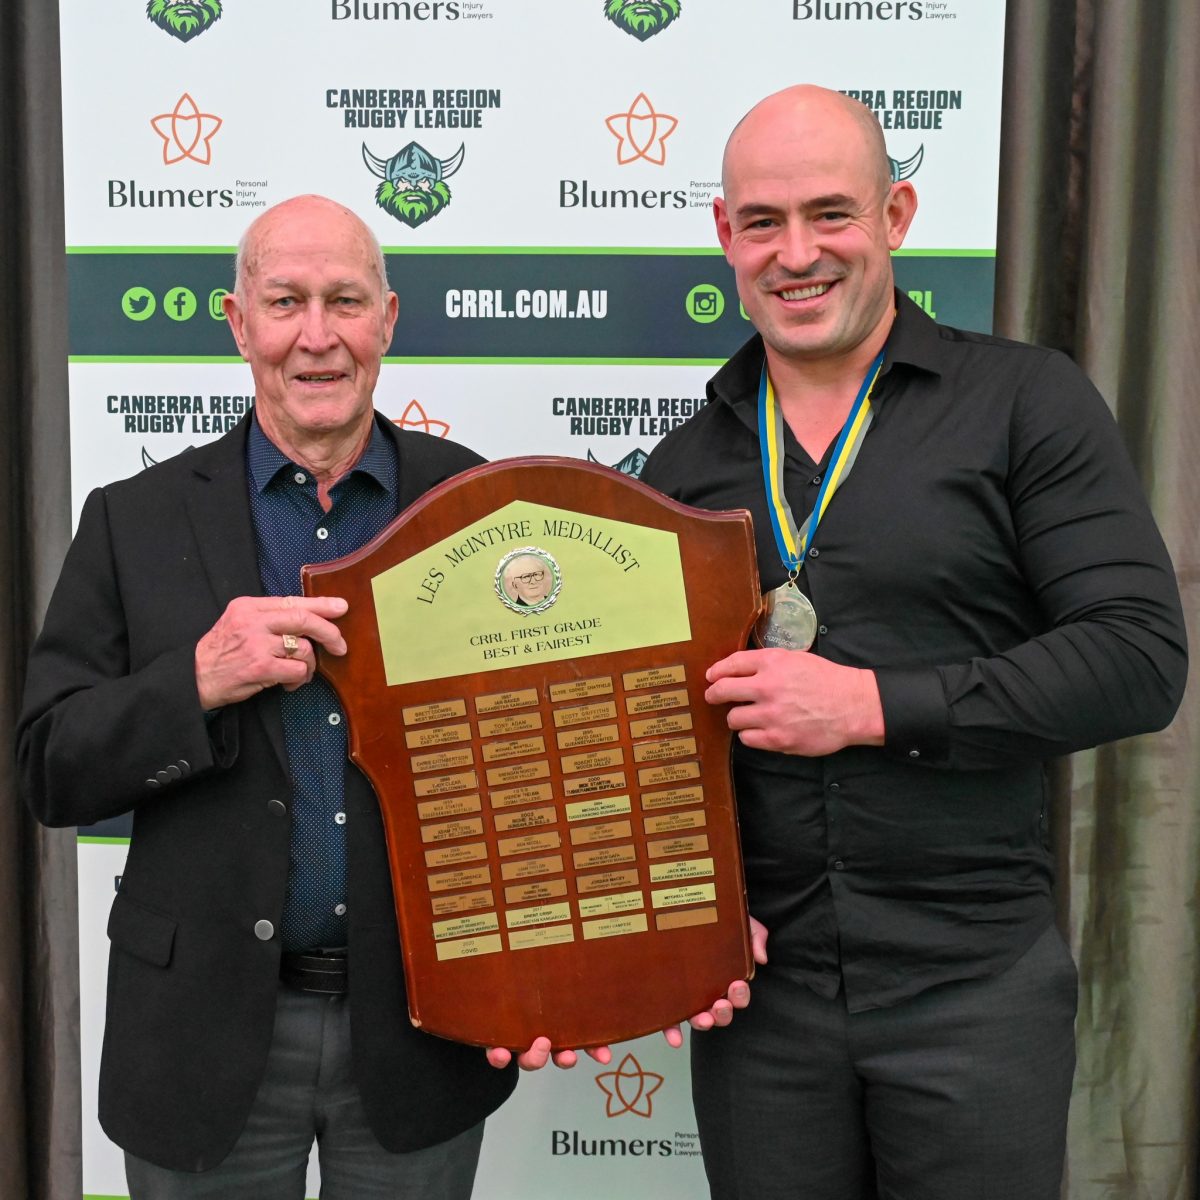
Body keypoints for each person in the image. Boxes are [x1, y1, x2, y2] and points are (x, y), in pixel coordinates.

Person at [638, 86, 1187, 1200]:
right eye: (764, 222)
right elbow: (654, 743)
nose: (798, 253)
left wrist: (869, 706)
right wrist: (683, 912)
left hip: (973, 990)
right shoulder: (681, 471)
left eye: (832, 214)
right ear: (724, 237)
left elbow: (1137, 656)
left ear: (897, 214)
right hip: (765, 1008)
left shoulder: (1027, 402)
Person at [19, 194, 541, 1198]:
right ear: (238, 322)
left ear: (388, 319)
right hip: (201, 1040)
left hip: (424, 1033)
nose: (316, 336)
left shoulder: (477, 504)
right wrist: (198, 681)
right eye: (285, 301)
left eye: (345, 301)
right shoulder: (135, 518)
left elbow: (537, 751)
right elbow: (50, 768)